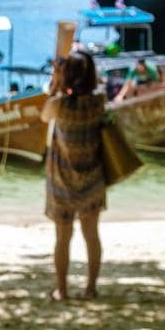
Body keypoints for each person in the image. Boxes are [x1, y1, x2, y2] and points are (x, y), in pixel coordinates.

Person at [41, 50, 106, 301]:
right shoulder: (98, 102)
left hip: (62, 180)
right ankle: (91, 288)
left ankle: (63, 290)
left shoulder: (58, 104)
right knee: (92, 235)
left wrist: (56, 84)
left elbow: (44, 116)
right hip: (92, 178)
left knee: (62, 238)